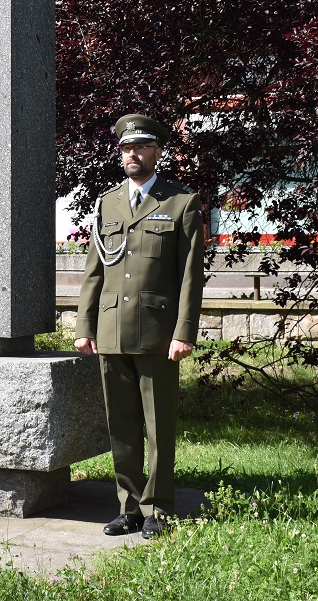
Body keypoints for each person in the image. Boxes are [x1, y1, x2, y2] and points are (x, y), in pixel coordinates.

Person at [75, 114, 205, 538]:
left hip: (157, 333)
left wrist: (184, 332)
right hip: (111, 331)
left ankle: (157, 508)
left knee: (158, 425)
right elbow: (95, 272)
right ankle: (128, 507)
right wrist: (84, 325)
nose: (133, 154)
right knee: (122, 425)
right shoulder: (106, 204)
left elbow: (190, 274)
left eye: (142, 147)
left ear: (157, 152)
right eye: (126, 148)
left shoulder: (181, 202)